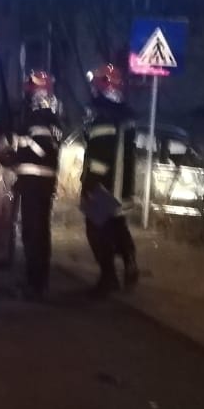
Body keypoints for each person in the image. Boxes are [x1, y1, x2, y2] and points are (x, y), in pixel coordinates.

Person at [79, 63, 140, 294]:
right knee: (117, 225)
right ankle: (130, 261)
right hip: (122, 185)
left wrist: (90, 186)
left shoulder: (103, 115)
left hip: (103, 186)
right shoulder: (125, 114)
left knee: (96, 230)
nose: (93, 87)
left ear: (103, 85)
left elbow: (99, 155)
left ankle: (108, 277)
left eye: (96, 83)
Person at [9, 69, 62, 299]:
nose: (28, 95)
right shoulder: (52, 118)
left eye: (31, 90)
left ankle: (35, 285)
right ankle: (40, 281)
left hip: (33, 183)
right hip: (43, 184)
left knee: (32, 233)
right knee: (41, 233)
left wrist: (16, 148)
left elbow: (38, 149)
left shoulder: (38, 119)